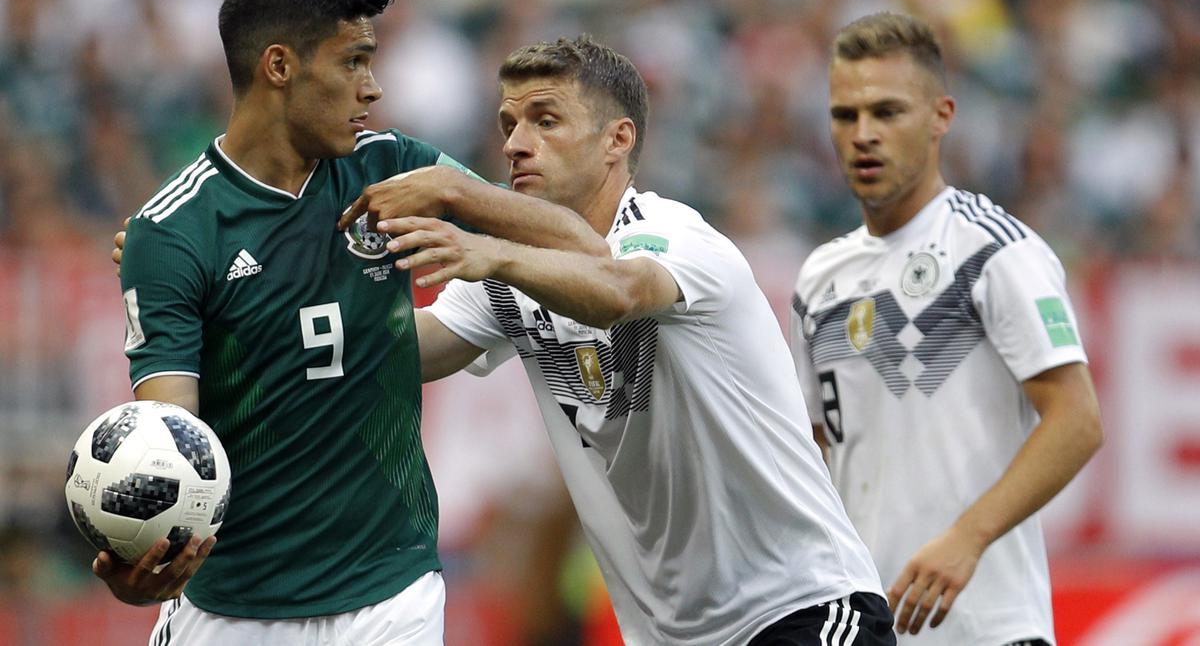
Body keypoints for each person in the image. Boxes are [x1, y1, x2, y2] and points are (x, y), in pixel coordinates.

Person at [107, 0, 604, 645]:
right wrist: (147, 551)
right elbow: (170, 438)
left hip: (389, 595)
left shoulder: (393, 166)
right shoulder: (173, 231)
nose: (372, 88)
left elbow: (582, 246)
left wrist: (462, 191)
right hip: (233, 610)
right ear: (279, 67)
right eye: (352, 62)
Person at [356, 35, 895, 646]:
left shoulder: (676, 235)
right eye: (508, 124)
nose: (514, 143)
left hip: (801, 607)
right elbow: (403, 353)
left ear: (618, 139)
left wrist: (465, 202)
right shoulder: (512, 274)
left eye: (545, 119)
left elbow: (615, 290)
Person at [789, 12, 1103, 645]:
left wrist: (969, 537)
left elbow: (1078, 420)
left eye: (888, 112)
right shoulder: (819, 278)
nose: (864, 135)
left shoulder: (991, 251)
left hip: (988, 626)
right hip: (869, 627)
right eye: (845, 116)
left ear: (941, 116)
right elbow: (822, 455)